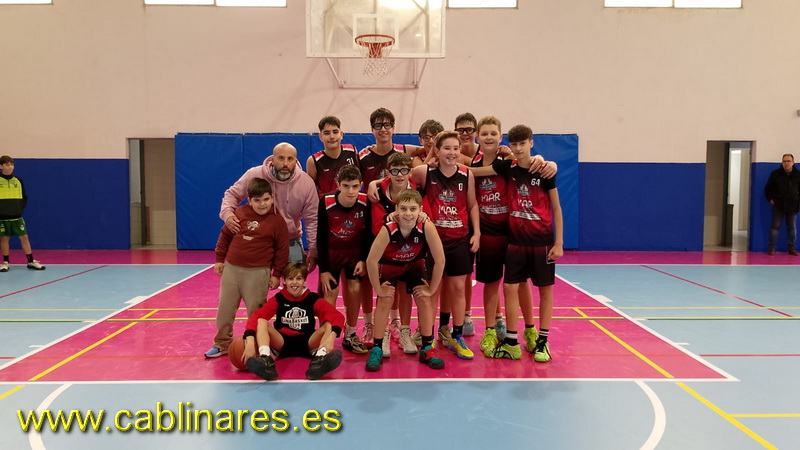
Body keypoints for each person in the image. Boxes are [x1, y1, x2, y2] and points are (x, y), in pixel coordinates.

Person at [467, 124, 563, 363]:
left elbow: (556, 207)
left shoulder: (538, 169)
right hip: (501, 238)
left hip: (529, 239)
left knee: (529, 286)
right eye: (515, 144)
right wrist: (441, 165)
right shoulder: (502, 165)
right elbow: (472, 170)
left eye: (523, 143)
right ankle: (502, 336)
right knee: (502, 285)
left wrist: (559, 242)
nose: (519, 148)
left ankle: (535, 334)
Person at [205, 178, 289, 359]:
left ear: (272, 198)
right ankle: (222, 343)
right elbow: (225, 236)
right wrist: (219, 260)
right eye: (257, 200)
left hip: (258, 273)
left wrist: (277, 274)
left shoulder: (277, 221)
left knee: (256, 313)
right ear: (249, 200)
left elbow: (282, 251)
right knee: (225, 310)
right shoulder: (239, 213)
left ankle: (258, 344)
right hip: (232, 270)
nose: (262, 204)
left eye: (266, 199)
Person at [364, 189, 446, 371]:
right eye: (403, 209)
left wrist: (432, 289)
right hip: (390, 264)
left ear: (420, 210)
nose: (408, 213)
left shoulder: (426, 226)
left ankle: (427, 347)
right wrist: (378, 289)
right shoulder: (388, 229)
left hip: (414, 264)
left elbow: (440, 260)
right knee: (385, 299)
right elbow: (371, 261)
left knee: (424, 298)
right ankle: (377, 348)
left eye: (413, 209)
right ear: (396, 210)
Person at [220, 142, 319, 271]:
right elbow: (232, 194)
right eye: (281, 158)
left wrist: (313, 250)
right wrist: (227, 214)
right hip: (258, 238)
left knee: (296, 279)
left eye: (290, 159)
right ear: (273, 159)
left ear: (295, 161)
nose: (285, 163)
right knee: (256, 280)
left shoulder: (306, 183)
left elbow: (312, 219)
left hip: (290, 239)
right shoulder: (254, 174)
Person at [242, 262, 345, 381]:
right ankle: (265, 359)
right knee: (261, 321)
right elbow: (256, 317)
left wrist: (331, 338)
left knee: (329, 324)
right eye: (290, 278)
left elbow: (338, 317)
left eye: (299, 278)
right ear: (284, 281)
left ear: (305, 281)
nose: (294, 282)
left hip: (308, 342)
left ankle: (320, 360)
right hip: (282, 342)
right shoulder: (279, 299)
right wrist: (250, 342)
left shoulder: (312, 299)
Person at [316, 165, 371, 355]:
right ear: (338, 185)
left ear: (361, 185)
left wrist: (364, 259)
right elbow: (321, 237)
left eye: (355, 186)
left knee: (355, 289)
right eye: (346, 186)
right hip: (333, 254)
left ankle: (350, 334)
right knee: (329, 292)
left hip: (355, 253)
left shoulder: (366, 202)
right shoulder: (326, 202)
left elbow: (368, 234)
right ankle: (325, 336)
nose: (351, 191)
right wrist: (323, 270)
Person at [370, 152, 419, 355]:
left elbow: (424, 217)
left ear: (410, 172)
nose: (400, 175)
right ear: (388, 172)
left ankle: (405, 332)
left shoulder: (416, 190)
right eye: (395, 171)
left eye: (404, 170)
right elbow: (376, 227)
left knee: (406, 292)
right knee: (386, 293)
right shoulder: (378, 192)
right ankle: (382, 335)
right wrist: (391, 220)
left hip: (410, 252)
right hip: (387, 253)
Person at [0, 155, 45, 272]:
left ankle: (30, 261)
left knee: (24, 237)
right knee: (4, 238)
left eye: (12, 164)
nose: (10, 167)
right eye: (7, 165)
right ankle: (5, 262)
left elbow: (24, 197)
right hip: (2, 217)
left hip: (17, 216)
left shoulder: (18, 180)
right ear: (1, 166)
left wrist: (19, 208)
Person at [306, 116, 358, 197]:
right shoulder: (313, 161)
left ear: (341, 134)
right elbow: (309, 191)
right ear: (320, 136)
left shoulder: (352, 150)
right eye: (327, 133)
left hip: (351, 201)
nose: (332, 137)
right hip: (328, 203)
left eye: (335, 132)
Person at [764, 154, 800, 255]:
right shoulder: (775, 174)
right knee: (775, 226)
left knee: (792, 228)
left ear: (793, 162)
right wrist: (770, 199)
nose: (786, 163)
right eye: (784, 161)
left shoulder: (798, 174)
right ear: (782, 162)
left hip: (793, 205)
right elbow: (768, 188)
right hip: (778, 205)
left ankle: (792, 248)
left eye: (788, 161)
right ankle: (772, 247)